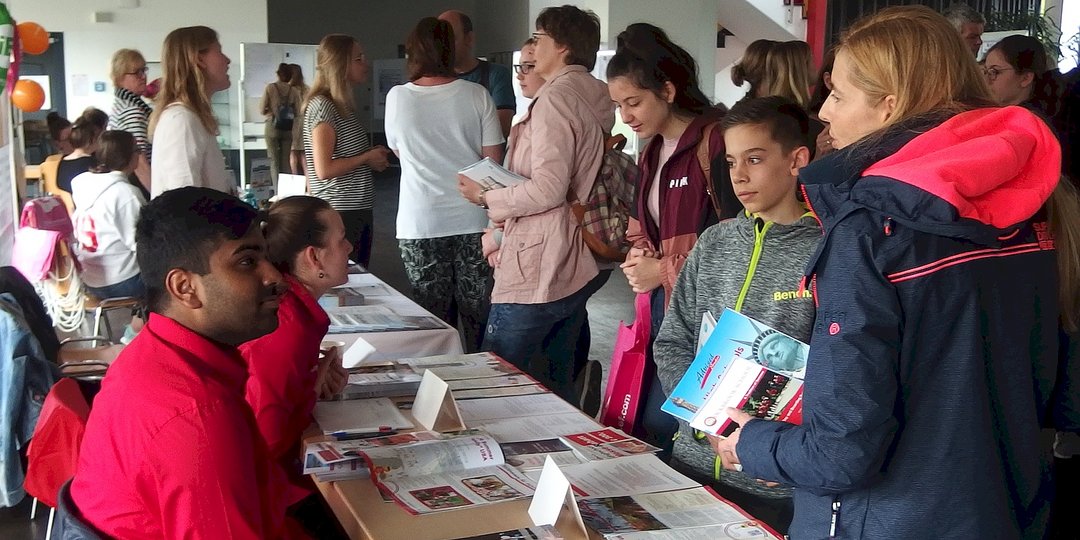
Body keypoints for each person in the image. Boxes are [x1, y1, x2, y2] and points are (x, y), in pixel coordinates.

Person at [715, 6, 1074, 538]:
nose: (824, 112)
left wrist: (755, 444)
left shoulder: (872, 229)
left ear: (889, 105)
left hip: (886, 519)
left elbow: (841, 455)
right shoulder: (1046, 206)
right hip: (1009, 509)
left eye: (839, 96)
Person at [70, 187, 286, 539]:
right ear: (185, 287)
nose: (274, 276)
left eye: (266, 257)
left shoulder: (150, 352)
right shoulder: (198, 417)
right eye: (247, 261)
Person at [654, 96, 817, 534]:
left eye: (755, 159)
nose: (739, 175)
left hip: (773, 479)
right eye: (730, 162)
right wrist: (707, 426)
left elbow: (831, 374)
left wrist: (775, 450)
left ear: (797, 160)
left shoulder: (824, 251)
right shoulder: (714, 242)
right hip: (693, 461)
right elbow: (672, 342)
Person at [457, 5, 613, 402]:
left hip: (538, 257)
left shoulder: (556, 100)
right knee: (553, 376)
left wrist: (487, 196)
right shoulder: (592, 93)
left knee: (497, 375)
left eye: (540, 39)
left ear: (561, 47)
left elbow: (548, 188)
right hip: (572, 254)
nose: (533, 47)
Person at [605, 22, 734, 451]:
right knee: (656, 423)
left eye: (634, 102)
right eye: (619, 106)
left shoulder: (716, 141)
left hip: (707, 315)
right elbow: (642, 226)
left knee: (686, 426)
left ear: (668, 90)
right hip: (665, 306)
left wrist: (661, 269)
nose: (626, 116)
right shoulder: (652, 150)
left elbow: (735, 244)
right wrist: (639, 256)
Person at [385, 17, 504, 353]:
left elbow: (399, 150)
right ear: (451, 49)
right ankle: (485, 377)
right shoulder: (477, 95)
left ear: (413, 51)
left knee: (435, 324)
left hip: (420, 222)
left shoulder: (398, 97)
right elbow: (492, 164)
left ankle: (441, 383)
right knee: (479, 317)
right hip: (474, 220)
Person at [239, 195, 349, 538]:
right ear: (314, 257)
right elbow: (267, 439)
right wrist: (311, 389)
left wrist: (312, 378)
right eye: (341, 240)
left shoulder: (293, 311)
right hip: (265, 498)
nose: (349, 248)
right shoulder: (287, 328)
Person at [303, 34, 391, 268]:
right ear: (339, 64)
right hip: (341, 211)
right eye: (358, 59)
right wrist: (366, 157)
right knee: (346, 278)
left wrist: (369, 156)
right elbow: (324, 169)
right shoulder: (323, 106)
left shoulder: (341, 106)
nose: (366, 64)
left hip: (356, 209)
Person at [150, 26, 234, 198]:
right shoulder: (181, 120)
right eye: (219, 51)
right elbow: (184, 201)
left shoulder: (191, 117)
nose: (227, 60)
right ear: (199, 60)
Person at [70, 131, 147, 300]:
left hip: (90, 279)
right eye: (137, 149)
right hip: (124, 281)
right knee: (173, 279)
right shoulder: (126, 194)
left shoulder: (84, 185)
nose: (140, 154)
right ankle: (144, 318)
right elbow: (142, 245)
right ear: (127, 156)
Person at [438, 9, 517, 136]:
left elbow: (500, 130)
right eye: (439, 40)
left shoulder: (496, 74)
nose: (444, 46)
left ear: (469, 39)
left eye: (450, 38)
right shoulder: (431, 79)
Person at [108, 48, 153, 192]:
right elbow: (140, 161)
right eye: (136, 72)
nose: (143, 76)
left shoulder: (120, 104)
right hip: (140, 184)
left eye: (144, 70)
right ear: (120, 77)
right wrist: (158, 194)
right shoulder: (132, 110)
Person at [261, 63, 302, 185]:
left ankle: (276, 189)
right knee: (285, 163)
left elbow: (262, 109)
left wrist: (272, 112)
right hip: (288, 129)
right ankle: (286, 190)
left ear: (278, 74)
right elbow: (298, 112)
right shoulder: (294, 91)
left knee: (273, 161)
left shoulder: (270, 88)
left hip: (272, 127)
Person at [982, 34, 1049, 107]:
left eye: (995, 71)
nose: (986, 80)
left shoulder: (1031, 114)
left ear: (1026, 78)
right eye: (985, 72)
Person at [57, 108, 108, 195]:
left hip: (68, 203)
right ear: (96, 133)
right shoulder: (93, 163)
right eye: (105, 128)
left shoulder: (63, 161)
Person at [287, 64, 309, 176]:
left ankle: (295, 182)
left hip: (292, 123)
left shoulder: (288, 89)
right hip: (304, 123)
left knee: (293, 154)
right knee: (304, 156)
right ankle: (309, 184)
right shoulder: (307, 89)